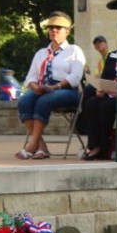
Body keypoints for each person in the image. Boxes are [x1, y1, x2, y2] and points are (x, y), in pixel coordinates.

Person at [15, 11, 86, 160]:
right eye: (51, 27)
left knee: (43, 101)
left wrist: (55, 87)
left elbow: (75, 77)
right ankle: (41, 147)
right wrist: (34, 86)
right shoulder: (41, 53)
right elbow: (30, 76)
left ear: (67, 32)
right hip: (43, 87)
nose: (53, 30)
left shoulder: (74, 50)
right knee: (24, 101)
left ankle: (31, 145)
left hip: (65, 89)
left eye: (58, 27)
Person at [81, 47, 117, 160]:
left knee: (105, 107)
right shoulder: (112, 55)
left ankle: (104, 147)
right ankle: (94, 145)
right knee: (91, 104)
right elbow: (104, 77)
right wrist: (100, 90)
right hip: (108, 93)